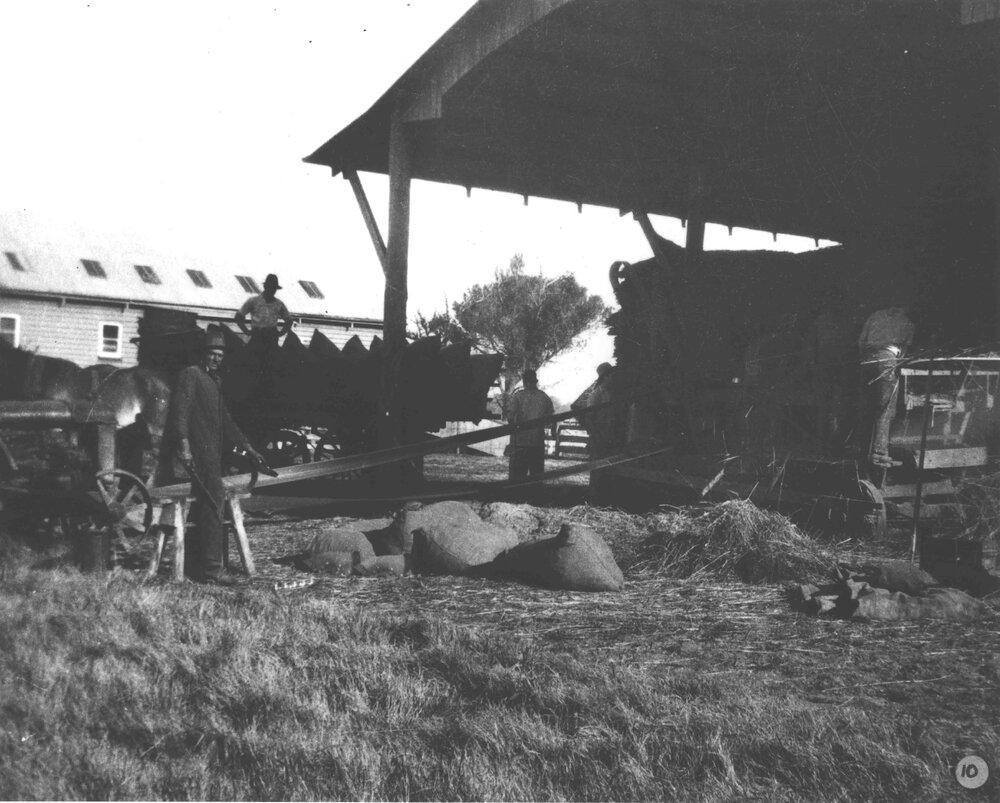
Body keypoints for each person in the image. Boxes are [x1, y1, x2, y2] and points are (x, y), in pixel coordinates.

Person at [169, 329, 264, 585]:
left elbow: (227, 421)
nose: (216, 359)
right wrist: (185, 447)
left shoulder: (213, 382)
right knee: (213, 501)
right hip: (196, 455)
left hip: (211, 456)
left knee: (214, 503)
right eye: (212, 354)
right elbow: (180, 413)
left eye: (220, 355)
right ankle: (211, 571)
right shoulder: (191, 375)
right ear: (202, 354)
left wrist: (247, 446)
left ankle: (204, 563)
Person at [858, 303, 915, 468]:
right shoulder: (908, 323)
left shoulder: (875, 315)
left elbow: (861, 341)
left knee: (865, 406)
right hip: (887, 360)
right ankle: (879, 453)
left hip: (867, 360)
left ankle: (863, 450)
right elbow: (903, 353)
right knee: (885, 408)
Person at [506, 368, 554, 481]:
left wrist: (514, 434)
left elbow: (510, 417)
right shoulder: (544, 397)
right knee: (536, 475)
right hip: (537, 442)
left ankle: (517, 497)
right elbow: (550, 417)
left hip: (520, 442)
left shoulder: (518, 396)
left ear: (524, 382)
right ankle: (534, 497)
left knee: (518, 476)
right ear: (535, 381)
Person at [234, 273, 293, 346]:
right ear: (265, 287)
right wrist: (246, 331)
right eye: (270, 287)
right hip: (257, 337)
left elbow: (289, 321)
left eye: (274, 288)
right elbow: (239, 316)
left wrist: (281, 333)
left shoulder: (279, 304)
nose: (272, 290)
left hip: (271, 339)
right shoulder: (253, 301)